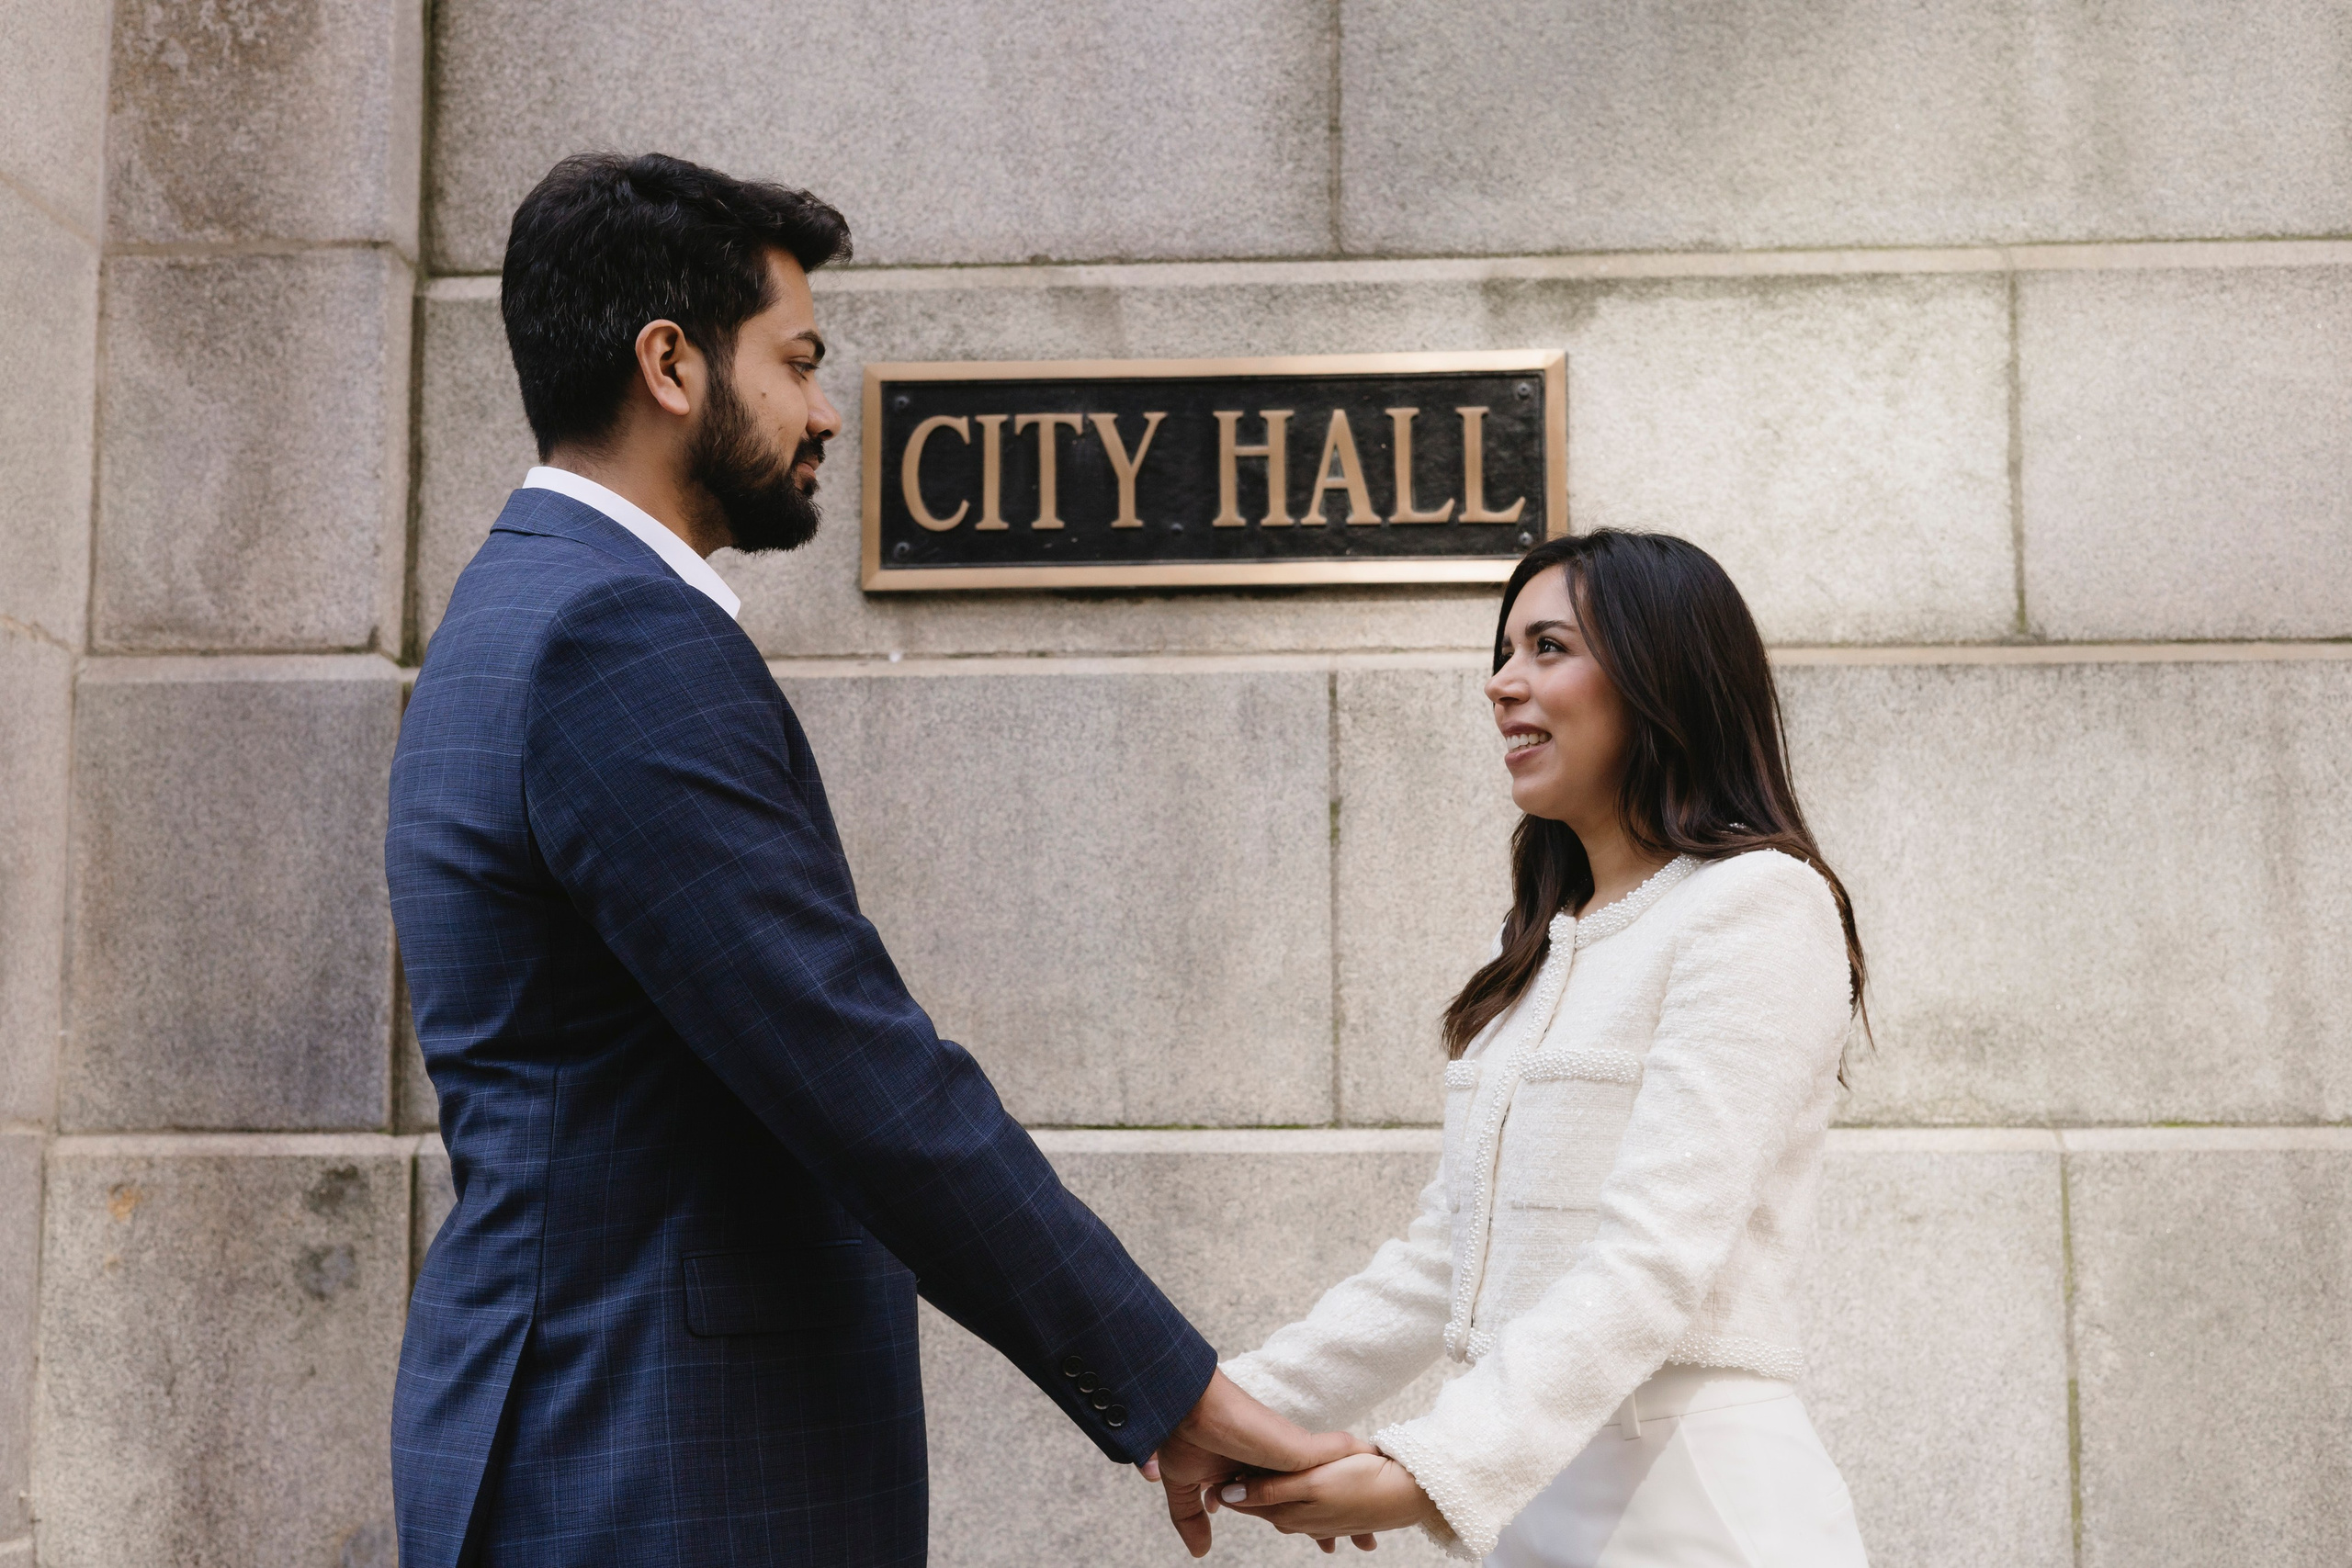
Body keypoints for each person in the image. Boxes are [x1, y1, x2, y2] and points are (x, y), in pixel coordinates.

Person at [384, 152, 1358, 1568]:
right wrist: (1172, 1386)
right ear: (670, 363)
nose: (827, 411)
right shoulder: (613, 638)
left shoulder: (513, 607)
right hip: (656, 1465)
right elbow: (854, 1066)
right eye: (797, 361)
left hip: (580, 1435)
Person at [1210, 531, 1873, 1564]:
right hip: (1532, 1501)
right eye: (1505, 652)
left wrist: (1425, 1469)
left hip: (1694, 1504)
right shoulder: (1533, 946)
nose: (1500, 684)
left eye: (1548, 648)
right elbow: (1447, 1256)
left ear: (1661, 676)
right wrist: (1220, 1408)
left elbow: (1653, 1256)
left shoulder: (1758, 904)